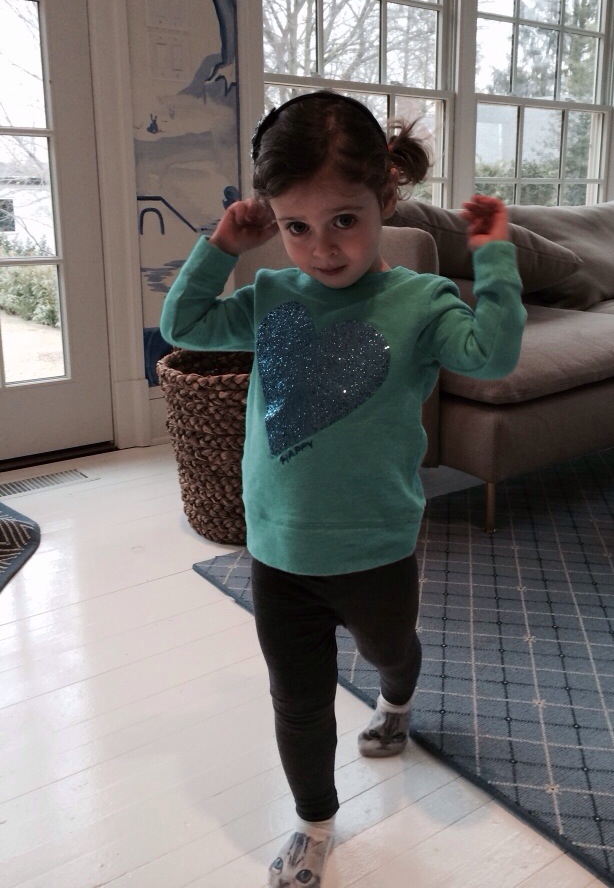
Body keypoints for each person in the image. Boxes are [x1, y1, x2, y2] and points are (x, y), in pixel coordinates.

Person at [160, 90, 526, 886]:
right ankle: (314, 823)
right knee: (296, 701)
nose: (321, 249)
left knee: (389, 650)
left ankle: (397, 702)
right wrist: (220, 247)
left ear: (385, 198)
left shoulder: (420, 303)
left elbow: (492, 355)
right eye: (295, 227)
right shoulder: (271, 297)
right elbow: (183, 326)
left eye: (344, 221)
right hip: (278, 551)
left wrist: (494, 254)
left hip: (376, 547)